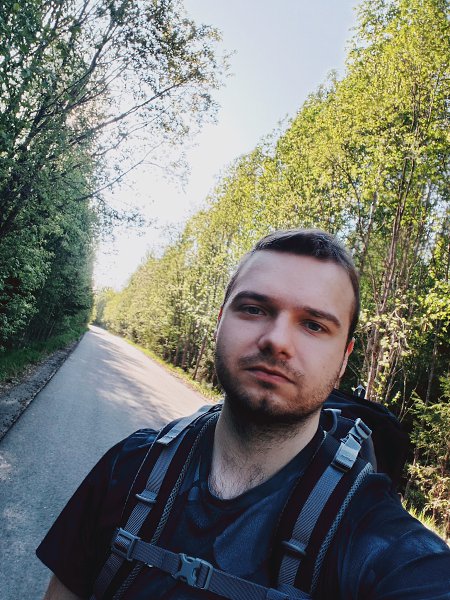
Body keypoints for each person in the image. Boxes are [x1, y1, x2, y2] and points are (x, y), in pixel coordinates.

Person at [37, 229, 450, 600]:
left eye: (313, 325)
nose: (277, 340)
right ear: (219, 323)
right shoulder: (127, 468)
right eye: (254, 309)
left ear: (344, 358)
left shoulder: (377, 540)